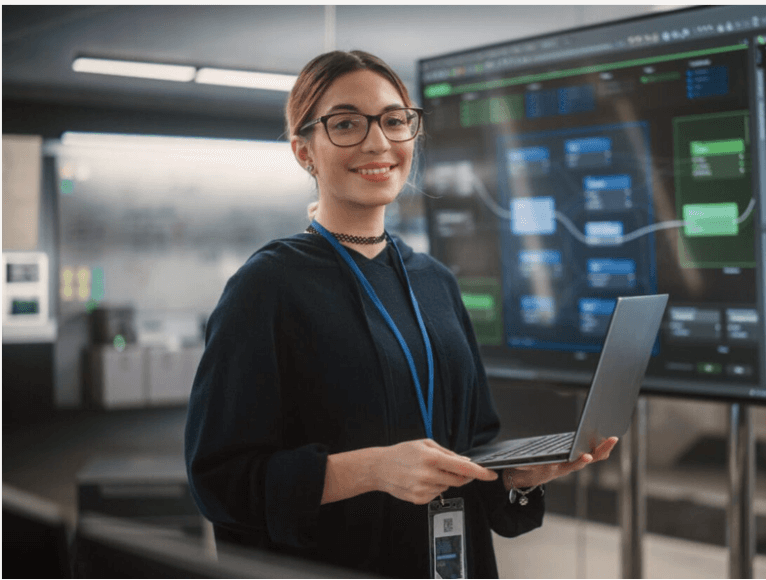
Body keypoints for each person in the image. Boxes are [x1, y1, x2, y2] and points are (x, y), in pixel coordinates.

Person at [184, 50, 616, 579]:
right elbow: (221, 482)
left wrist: (513, 476)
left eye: (394, 121)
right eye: (346, 124)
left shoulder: (436, 281)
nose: (378, 142)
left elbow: (477, 439)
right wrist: (371, 470)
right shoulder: (267, 287)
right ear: (304, 152)